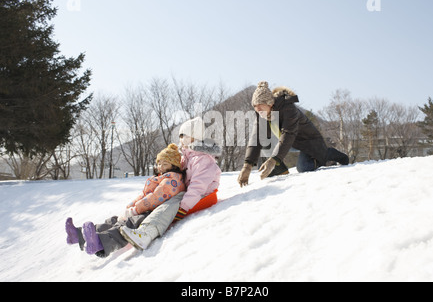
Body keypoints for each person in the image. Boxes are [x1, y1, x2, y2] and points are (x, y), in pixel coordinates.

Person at [65, 143, 186, 258]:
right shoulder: (161, 177)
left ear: (174, 165)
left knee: (126, 225)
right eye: (159, 163)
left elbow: (155, 198)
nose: (160, 166)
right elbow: (144, 195)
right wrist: (130, 207)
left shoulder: (172, 180)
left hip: (150, 212)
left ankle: (99, 243)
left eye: (165, 164)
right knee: (114, 220)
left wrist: (135, 210)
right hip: (145, 208)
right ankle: (78, 235)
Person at [120, 117, 222, 250]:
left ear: (194, 138)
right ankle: (138, 224)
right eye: (180, 136)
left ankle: (147, 233)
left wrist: (183, 207)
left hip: (204, 196)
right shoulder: (188, 156)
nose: (181, 140)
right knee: (163, 198)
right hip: (189, 193)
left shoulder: (202, 159)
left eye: (184, 136)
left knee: (170, 204)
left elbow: (198, 186)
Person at [238, 81, 349, 187]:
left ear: (270, 103)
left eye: (261, 109)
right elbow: (256, 138)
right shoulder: (262, 114)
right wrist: (247, 166)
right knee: (263, 140)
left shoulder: (288, 108)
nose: (259, 113)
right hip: (288, 143)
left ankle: (328, 153)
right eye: (256, 110)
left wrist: (273, 160)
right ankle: (280, 169)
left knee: (304, 167)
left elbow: (288, 135)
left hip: (307, 142)